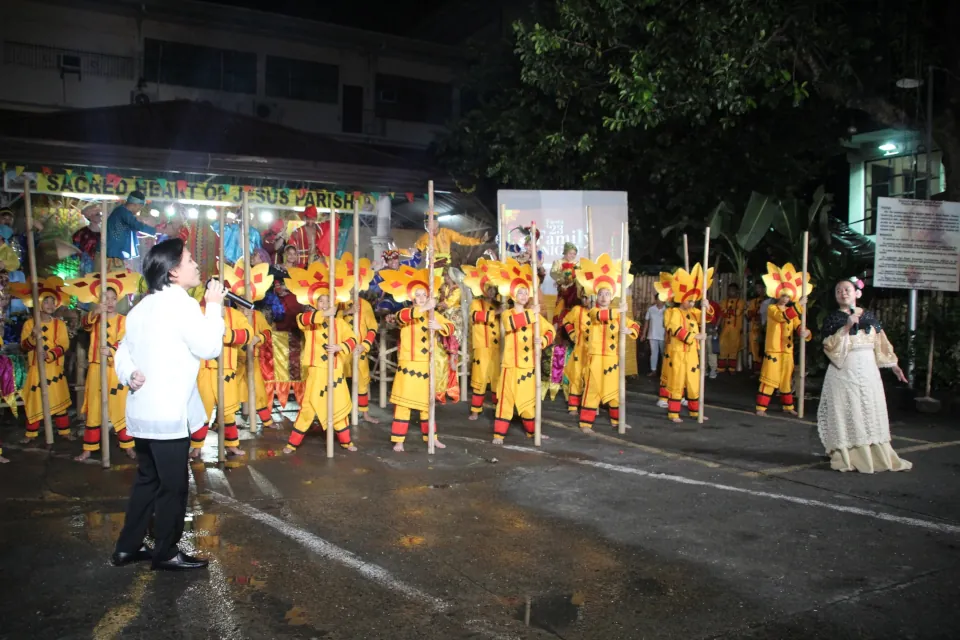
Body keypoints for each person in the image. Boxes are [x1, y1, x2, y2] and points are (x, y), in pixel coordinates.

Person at [111, 238, 226, 571]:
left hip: (142, 414)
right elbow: (208, 347)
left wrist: (128, 373)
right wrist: (214, 305)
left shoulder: (142, 307)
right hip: (167, 415)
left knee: (148, 479)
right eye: (190, 260)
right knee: (174, 486)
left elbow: (123, 351)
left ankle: (126, 547)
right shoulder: (182, 305)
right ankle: (165, 552)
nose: (195, 266)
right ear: (173, 271)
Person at [817, 278, 912, 473]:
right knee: (846, 410)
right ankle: (847, 454)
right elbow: (829, 346)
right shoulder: (833, 319)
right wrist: (845, 327)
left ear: (857, 293)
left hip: (868, 371)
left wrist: (893, 364)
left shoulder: (869, 317)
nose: (843, 293)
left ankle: (875, 454)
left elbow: (881, 342)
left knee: (869, 410)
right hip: (843, 370)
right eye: (838, 290)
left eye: (847, 289)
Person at [64, 271, 143, 461]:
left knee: (120, 406)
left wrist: (112, 351)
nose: (109, 302)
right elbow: (85, 324)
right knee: (94, 407)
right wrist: (96, 312)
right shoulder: (95, 318)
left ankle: (128, 445)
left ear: (118, 300)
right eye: (105, 298)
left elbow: (127, 343)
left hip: (116, 370)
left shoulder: (124, 321)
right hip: (96, 368)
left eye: (113, 298)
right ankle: (89, 448)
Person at [282, 261, 358, 454]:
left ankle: (346, 441)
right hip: (316, 370)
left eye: (327, 301)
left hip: (335, 370)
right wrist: (324, 313)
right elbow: (301, 320)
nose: (324, 304)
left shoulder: (339, 323)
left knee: (339, 405)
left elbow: (353, 339)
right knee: (309, 406)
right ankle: (292, 443)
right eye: (321, 301)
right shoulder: (309, 320)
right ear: (315, 304)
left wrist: (340, 346)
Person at [378, 265, 454, 452]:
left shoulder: (433, 315)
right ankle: (398, 441)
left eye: (424, 295)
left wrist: (439, 326)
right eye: (417, 295)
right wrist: (424, 308)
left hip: (426, 366)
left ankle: (432, 438)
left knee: (427, 406)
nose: (421, 298)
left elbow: (450, 327)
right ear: (412, 298)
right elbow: (402, 317)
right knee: (403, 406)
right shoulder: (405, 313)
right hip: (408, 365)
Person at [488, 258, 554, 442]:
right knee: (506, 400)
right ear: (513, 295)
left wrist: (542, 341)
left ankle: (533, 432)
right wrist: (531, 315)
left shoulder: (534, 314)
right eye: (520, 292)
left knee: (528, 402)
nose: (524, 295)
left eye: (526, 292)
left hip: (528, 365)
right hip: (511, 366)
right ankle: (499, 435)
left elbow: (551, 331)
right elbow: (510, 325)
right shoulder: (509, 314)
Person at [575, 254, 640, 432]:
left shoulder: (619, 315)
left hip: (612, 358)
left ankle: (617, 421)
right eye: (601, 294)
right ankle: (585, 423)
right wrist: (620, 310)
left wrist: (629, 330)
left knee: (614, 390)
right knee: (592, 389)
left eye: (607, 294)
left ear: (611, 297)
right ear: (597, 296)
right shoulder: (594, 311)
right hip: (596, 357)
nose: (604, 297)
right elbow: (601, 316)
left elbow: (635, 326)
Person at [190, 290, 254, 458]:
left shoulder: (235, 315)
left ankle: (232, 445)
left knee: (228, 411)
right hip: (204, 369)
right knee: (203, 411)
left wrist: (227, 333)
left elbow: (248, 334)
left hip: (226, 369)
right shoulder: (198, 312)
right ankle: (196, 446)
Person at [10, 277, 73, 442]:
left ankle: (64, 431)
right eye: (46, 302)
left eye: (52, 302)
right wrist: (33, 336)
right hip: (36, 369)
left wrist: (50, 354)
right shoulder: (30, 324)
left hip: (54, 369)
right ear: (38, 304)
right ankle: (31, 434)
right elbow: (24, 345)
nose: (50, 305)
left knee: (59, 400)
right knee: (34, 400)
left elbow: (64, 344)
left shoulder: (60, 324)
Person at [655, 265, 712, 423]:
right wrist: (695, 336)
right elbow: (675, 329)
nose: (693, 303)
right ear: (681, 299)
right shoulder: (671, 312)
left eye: (694, 300)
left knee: (694, 384)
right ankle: (674, 413)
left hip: (692, 353)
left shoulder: (694, 313)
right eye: (689, 300)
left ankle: (695, 412)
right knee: (677, 382)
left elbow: (707, 318)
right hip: (677, 352)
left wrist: (707, 307)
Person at [224, 258, 275, 430]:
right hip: (234, 361)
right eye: (240, 298)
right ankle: (221, 422)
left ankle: (266, 421)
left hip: (252, 360)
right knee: (229, 392)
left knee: (258, 390)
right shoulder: (229, 315)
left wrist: (258, 339)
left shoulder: (257, 316)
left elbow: (268, 333)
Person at [756, 262, 812, 416]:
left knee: (786, 379)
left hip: (787, 351)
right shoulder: (772, 309)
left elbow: (797, 324)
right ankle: (761, 408)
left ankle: (788, 406)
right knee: (769, 378)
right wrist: (799, 306)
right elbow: (783, 317)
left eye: (788, 296)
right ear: (777, 295)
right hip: (774, 350)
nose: (786, 298)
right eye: (783, 295)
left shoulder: (792, 310)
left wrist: (805, 332)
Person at [338, 253, 379, 424]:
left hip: (359, 349)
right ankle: (340, 412)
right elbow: (330, 322)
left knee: (362, 382)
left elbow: (373, 327)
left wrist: (365, 345)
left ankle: (364, 413)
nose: (352, 288)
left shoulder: (365, 305)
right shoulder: (339, 303)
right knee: (339, 381)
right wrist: (345, 312)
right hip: (342, 350)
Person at [463, 259, 502, 420]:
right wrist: (497, 313)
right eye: (489, 289)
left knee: (496, 379)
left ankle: (498, 410)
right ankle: (475, 410)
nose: (491, 292)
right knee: (479, 378)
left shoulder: (498, 304)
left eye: (494, 289)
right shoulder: (476, 303)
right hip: (482, 346)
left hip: (496, 347)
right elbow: (476, 317)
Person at [105, 191, 158, 270]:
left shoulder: (123, 212)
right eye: (139, 208)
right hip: (111, 254)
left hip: (115, 253)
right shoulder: (123, 212)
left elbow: (135, 229)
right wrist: (155, 231)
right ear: (135, 205)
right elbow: (138, 226)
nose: (138, 210)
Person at [415, 219, 487, 272]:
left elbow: (462, 239)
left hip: (445, 264)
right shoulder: (424, 237)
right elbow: (415, 251)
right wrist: (406, 252)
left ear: (436, 223)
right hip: (432, 266)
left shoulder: (447, 233)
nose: (428, 227)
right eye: (426, 225)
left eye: (430, 224)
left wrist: (479, 241)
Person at [718, 283, 744, 372]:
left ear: (736, 291)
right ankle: (721, 367)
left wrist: (728, 311)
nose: (730, 292)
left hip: (735, 328)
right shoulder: (724, 301)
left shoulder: (740, 301)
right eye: (729, 290)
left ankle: (732, 368)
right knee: (722, 345)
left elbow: (738, 312)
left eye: (732, 290)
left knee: (734, 346)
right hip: (725, 328)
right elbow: (722, 311)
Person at [71, 204, 103, 277]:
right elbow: (74, 248)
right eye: (97, 214)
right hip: (87, 262)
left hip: (101, 261)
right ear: (90, 217)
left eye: (100, 214)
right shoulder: (82, 233)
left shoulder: (104, 232)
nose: (100, 216)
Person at [745, 282, 767, 375]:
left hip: (766, 328)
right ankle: (757, 370)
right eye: (757, 288)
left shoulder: (770, 300)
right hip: (754, 328)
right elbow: (748, 314)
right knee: (754, 348)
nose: (758, 290)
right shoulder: (753, 301)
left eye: (760, 288)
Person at [642, 298, 666, 376]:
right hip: (652, 334)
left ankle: (664, 371)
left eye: (662, 299)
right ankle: (653, 371)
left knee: (664, 354)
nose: (660, 301)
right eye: (658, 299)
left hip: (663, 336)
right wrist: (643, 334)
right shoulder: (651, 309)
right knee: (654, 353)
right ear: (655, 300)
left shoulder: (668, 310)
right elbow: (646, 322)